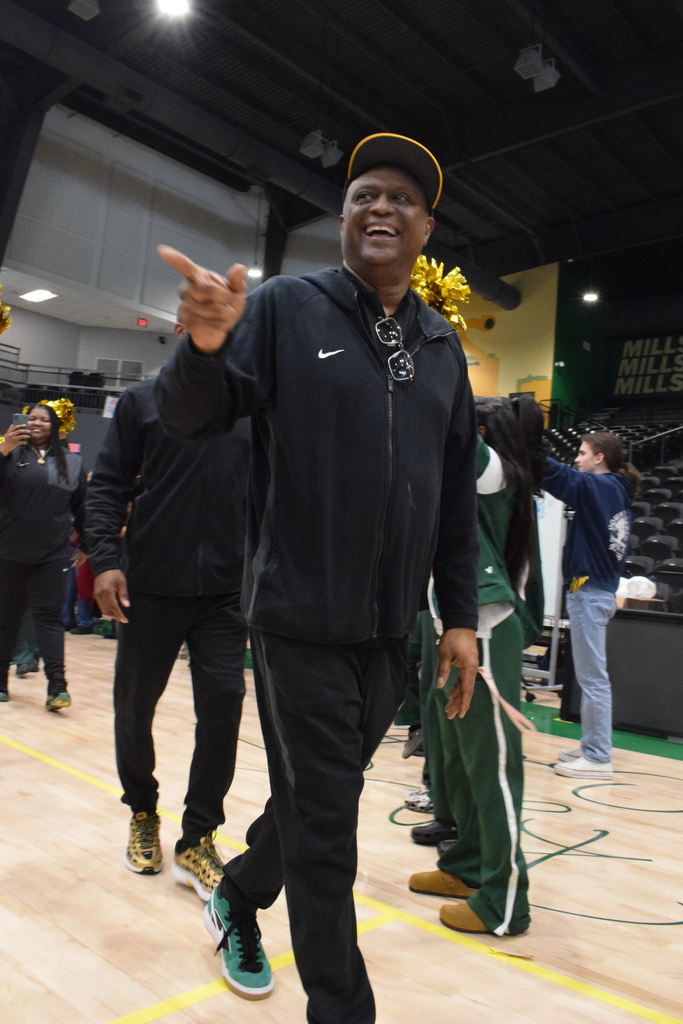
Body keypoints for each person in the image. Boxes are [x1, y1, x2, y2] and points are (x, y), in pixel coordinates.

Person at [155, 133, 480, 1023]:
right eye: (363, 195)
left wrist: (458, 616)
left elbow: (455, 497)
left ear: (426, 228)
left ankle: (241, 890)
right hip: (295, 618)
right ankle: (340, 1008)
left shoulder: (442, 349)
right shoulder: (287, 310)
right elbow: (190, 418)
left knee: (313, 803)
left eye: (401, 199)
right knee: (332, 829)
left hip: (387, 631)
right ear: (341, 220)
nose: (380, 207)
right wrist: (204, 344)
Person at [86, 367, 250, 900]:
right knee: (134, 706)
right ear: (182, 326)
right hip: (149, 585)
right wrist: (107, 559)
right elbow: (108, 482)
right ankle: (141, 809)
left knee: (224, 704)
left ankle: (198, 835)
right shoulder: (142, 400)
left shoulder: (253, 405)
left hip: (226, 591)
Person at [409, 395, 544, 936]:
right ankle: (467, 867)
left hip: (484, 629)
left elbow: (448, 426)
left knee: (493, 772)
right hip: (452, 626)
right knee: (456, 767)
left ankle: (508, 900)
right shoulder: (470, 473)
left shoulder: (493, 470)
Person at [542, 431, 640, 781]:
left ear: (600, 457)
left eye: (583, 453)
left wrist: (527, 448)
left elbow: (560, 477)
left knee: (593, 679)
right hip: (594, 593)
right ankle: (590, 745)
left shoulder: (601, 488)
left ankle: (598, 756)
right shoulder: (613, 490)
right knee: (590, 677)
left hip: (589, 594)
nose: (578, 459)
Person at [0, 403, 87, 708]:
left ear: (55, 425)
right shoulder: (8, 453)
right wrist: (4, 448)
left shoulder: (72, 462)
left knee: (49, 620)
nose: (36, 423)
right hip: (8, 551)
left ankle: (57, 688)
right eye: (32, 418)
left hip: (52, 555)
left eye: (43, 419)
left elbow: (81, 506)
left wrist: (86, 544)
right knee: (6, 619)